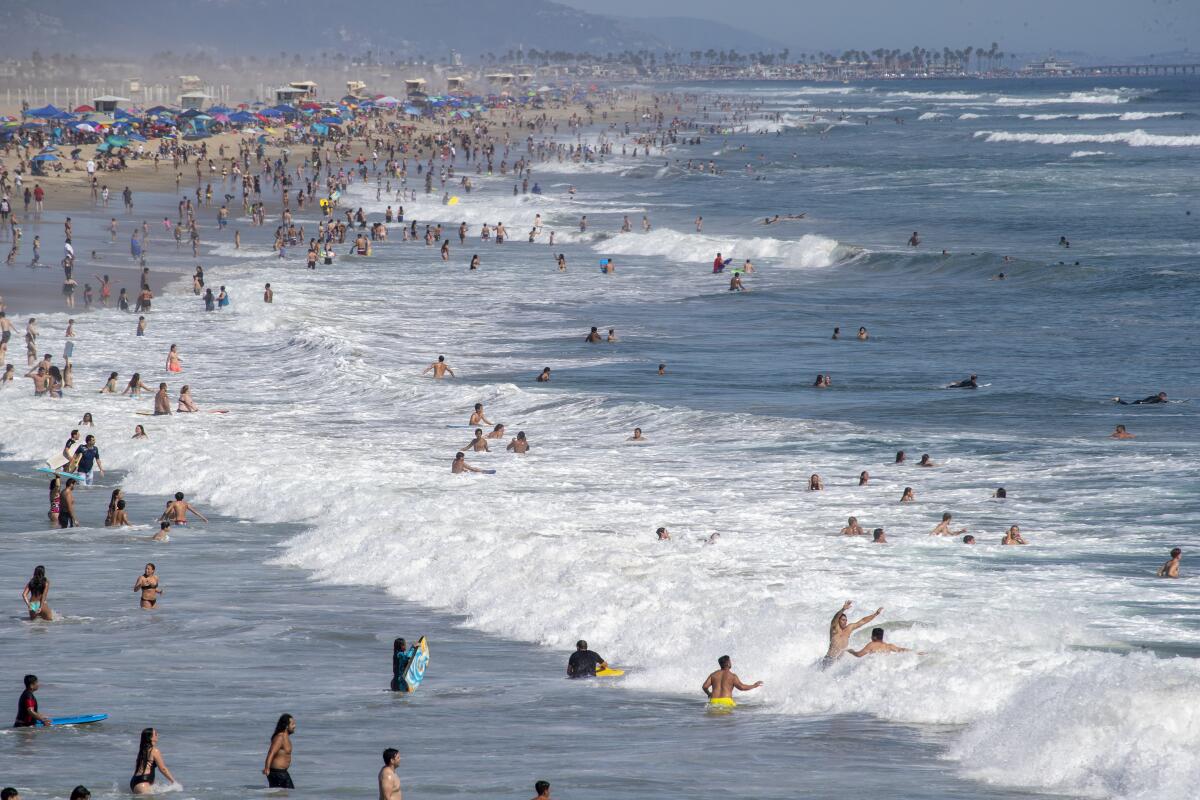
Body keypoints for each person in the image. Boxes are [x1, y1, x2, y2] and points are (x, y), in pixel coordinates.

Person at [130, 727, 176, 793]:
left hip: (135, 781)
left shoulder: (142, 751)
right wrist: (173, 782)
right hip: (143, 783)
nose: (158, 735)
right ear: (151, 737)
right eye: (156, 734)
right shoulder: (154, 751)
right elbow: (163, 769)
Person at [264, 714, 297, 788]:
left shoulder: (285, 737)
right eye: (292, 724)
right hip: (277, 773)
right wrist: (267, 768)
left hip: (281, 773)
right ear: (286, 726)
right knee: (286, 794)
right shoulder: (280, 737)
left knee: (281, 795)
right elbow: (271, 753)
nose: (294, 726)